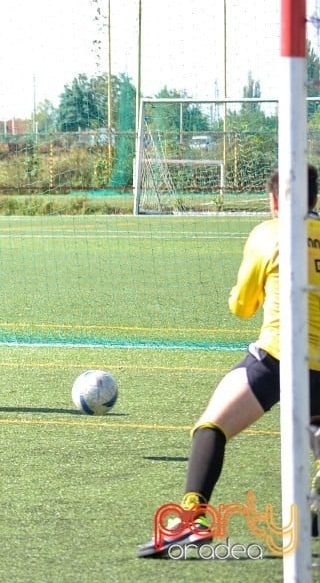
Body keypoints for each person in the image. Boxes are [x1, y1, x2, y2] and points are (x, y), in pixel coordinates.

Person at [137, 165, 320, 558]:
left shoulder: (268, 234)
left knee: (211, 425)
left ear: (273, 201)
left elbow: (241, 306)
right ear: (315, 199)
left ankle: (193, 520)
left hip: (279, 360)